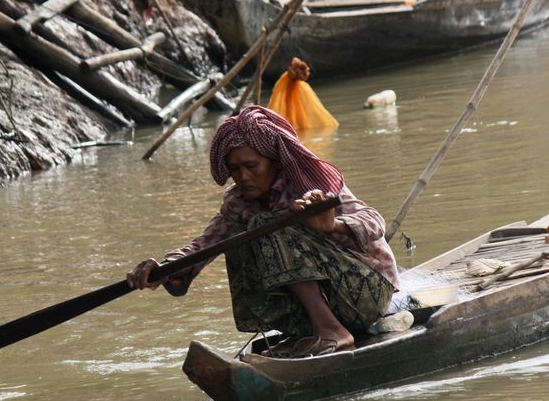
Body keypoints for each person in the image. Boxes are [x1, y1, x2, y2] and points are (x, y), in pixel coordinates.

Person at [126, 106, 398, 358]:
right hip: (334, 301)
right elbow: (204, 245)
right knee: (240, 235)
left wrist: (333, 226)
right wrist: (166, 268)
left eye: (251, 166)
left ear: (275, 162)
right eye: (235, 169)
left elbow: (374, 220)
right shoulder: (238, 204)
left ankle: (331, 331)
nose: (242, 177)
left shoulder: (310, 185)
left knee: (267, 225)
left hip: (368, 293)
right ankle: (302, 332)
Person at [266, 57, 338, 131]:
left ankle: (292, 127)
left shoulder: (290, 76)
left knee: (293, 108)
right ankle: (297, 126)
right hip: (293, 90)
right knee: (298, 108)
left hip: (292, 91)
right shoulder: (295, 80)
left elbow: (279, 88)